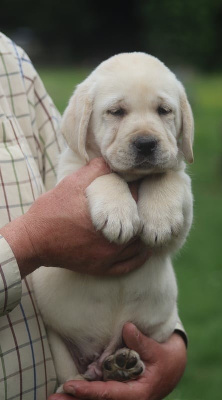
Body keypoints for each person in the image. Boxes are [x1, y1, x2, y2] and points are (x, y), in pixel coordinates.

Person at [0, 32, 187, 400]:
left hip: (138, 338)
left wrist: (173, 344)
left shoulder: (10, 60)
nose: (144, 136)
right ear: (84, 120)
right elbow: (74, 182)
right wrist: (30, 245)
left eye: (163, 111)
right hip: (59, 351)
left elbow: (162, 242)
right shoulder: (81, 116)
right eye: (117, 112)